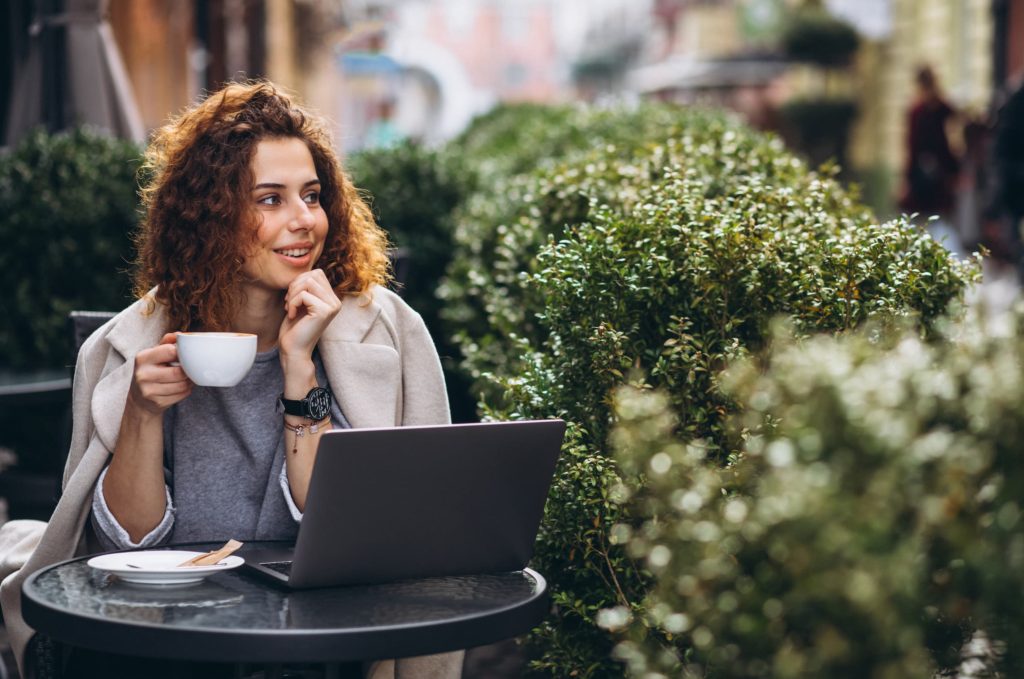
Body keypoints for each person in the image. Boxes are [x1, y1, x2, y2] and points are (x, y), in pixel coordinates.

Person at [0, 81, 463, 678]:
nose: (303, 221)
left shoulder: (385, 331)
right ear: (210, 216)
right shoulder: (123, 347)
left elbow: (354, 533)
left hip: (326, 632)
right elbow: (125, 552)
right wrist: (141, 414)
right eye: (270, 200)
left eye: (312, 195)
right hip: (170, 635)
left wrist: (300, 367)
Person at [899, 65, 961, 242]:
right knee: (938, 218)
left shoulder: (920, 110)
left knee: (923, 220)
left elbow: (911, 146)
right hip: (939, 170)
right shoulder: (938, 107)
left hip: (928, 172)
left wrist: (906, 180)